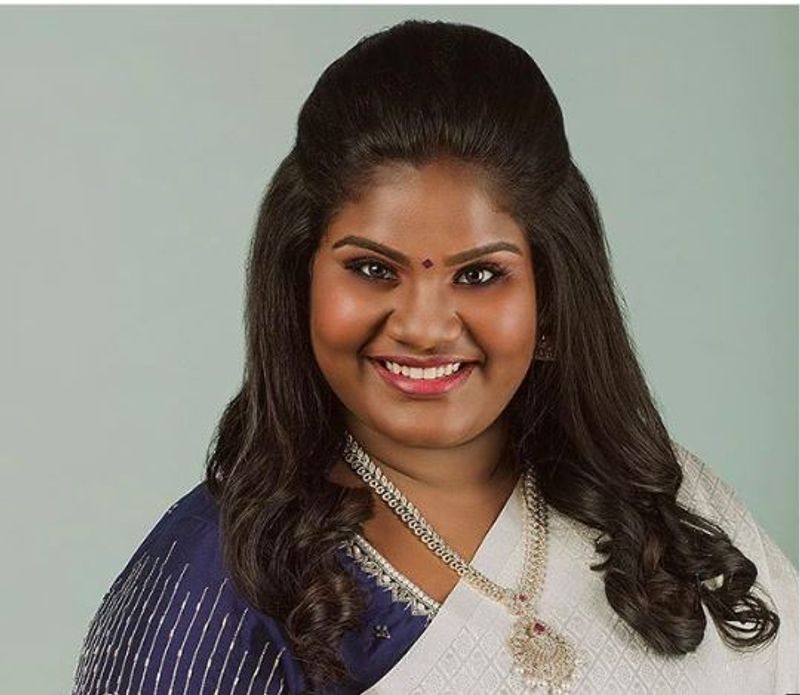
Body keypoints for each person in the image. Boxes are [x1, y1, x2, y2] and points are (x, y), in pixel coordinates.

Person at [71, 19, 798, 695]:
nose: (423, 327)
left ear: (551, 297)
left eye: (479, 275)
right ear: (299, 283)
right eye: (372, 269)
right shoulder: (217, 579)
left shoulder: (665, 508)